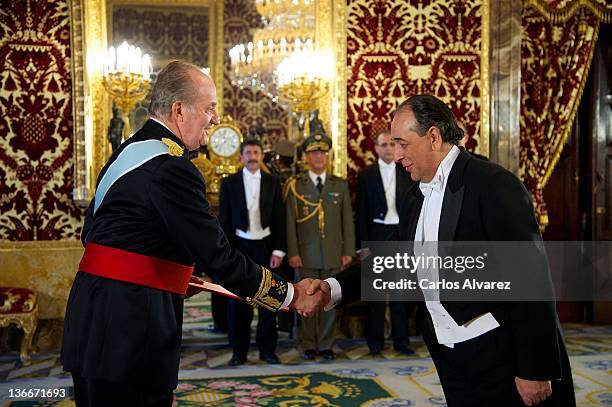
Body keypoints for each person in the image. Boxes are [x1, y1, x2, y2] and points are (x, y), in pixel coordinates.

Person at [61, 60, 323, 407]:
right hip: (131, 328)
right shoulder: (172, 168)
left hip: (93, 318)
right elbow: (219, 256)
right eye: (210, 108)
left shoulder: (126, 153)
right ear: (179, 110)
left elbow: (95, 235)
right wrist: (288, 294)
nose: (215, 119)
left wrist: (167, 272)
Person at [307, 95, 575, 406]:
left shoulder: (493, 184)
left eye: (402, 144)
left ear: (433, 137)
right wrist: (332, 288)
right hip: (449, 355)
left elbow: (531, 279)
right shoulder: (415, 195)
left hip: (501, 355)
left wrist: (534, 369)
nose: (396, 155)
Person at [285, 133, 355, 361]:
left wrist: (348, 251)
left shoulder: (339, 185)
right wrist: (293, 252)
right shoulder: (296, 186)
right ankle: (307, 344)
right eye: (314, 152)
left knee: (328, 301)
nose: (319, 157)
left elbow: (347, 221)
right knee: (305, 301)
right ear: (307, 156)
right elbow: (290, 223)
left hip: (333, 253)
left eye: (323, 152)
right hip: (306, 255)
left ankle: (325, 344)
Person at [219, 138, 285, 365]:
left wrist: (278, 251)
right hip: (240, 246)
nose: (252, 156)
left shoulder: (273, 182)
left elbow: (279, 219)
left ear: (261, 155)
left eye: (256, 152)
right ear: (241, 157)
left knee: (270, 300)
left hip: (266, 246)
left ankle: (268, 350)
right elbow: (224, 221)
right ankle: (239, 352)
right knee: (239, 301)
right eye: (248, 153)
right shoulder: (229, 183)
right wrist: (227, 254)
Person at [356, 129, 416, 356]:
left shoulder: (406, 170)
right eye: (384, 145)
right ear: (376, 148)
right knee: (376, 295)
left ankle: (402, 341)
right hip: (377, 236)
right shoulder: (366, 175)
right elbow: (360, 212)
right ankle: (375, 343)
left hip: (401, 236)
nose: (389, 149)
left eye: (392, 144)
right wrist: (363, 246)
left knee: (400, 293)